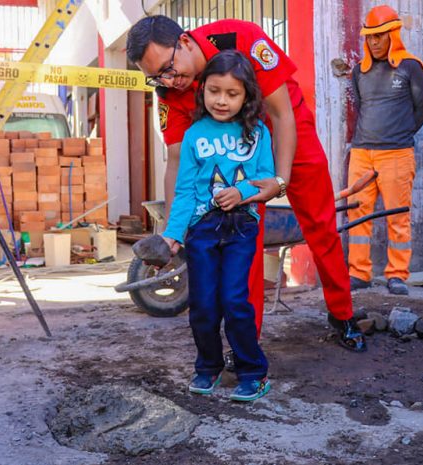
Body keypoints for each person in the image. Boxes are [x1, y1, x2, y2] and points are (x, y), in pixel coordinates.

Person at [127, 16, 366, 352]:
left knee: (320, 227)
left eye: (169, 67)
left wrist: (279, 180)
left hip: (287, 133)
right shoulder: (169, 91)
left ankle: (342, 314)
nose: (168, 80)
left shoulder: (240, 37)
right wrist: (172, 233)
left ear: (183, 41)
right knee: (244, 247)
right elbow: (179, 160)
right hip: (233, 155)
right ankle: (246, 344)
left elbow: (282, 114)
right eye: (156, 77)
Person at [163, 50, 274, 401]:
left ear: (246, 96)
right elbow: (184, 191)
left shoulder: (257, 132)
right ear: (203, 90)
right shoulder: (195, 134)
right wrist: (173, 233)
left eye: (232, 93)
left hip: (242, 227)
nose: (221, 100)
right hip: (202, 230)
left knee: (234, 299)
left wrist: (240, 193)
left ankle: (252, 372)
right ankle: (207, 367)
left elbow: (265, 178)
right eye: (214, 91)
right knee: (204, 304)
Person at [347, 5, 423, 295]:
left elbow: (422, 111)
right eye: (370, 37)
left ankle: (397, 274)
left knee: (397, 217)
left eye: (380, 35)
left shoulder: (412, 67)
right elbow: (361, 106)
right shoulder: (360, 71)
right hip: (361, 154)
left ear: (393, 34)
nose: (374, 42)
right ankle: (358, 273)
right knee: (356, 214)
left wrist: (397, 136)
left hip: (397, 154)